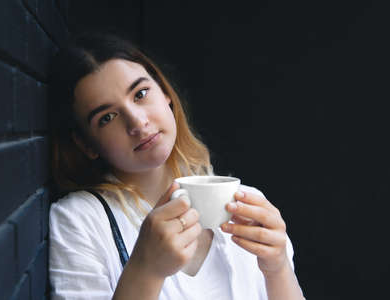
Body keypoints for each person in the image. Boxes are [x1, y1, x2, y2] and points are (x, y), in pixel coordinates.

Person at [47, 32, 305, 300]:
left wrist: (278, 268)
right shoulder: (81, 220)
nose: (137, 122)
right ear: (86, 144)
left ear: (166, 93)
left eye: (141, 93)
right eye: (107, 117)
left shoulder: (249, 207)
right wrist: (145, 270)